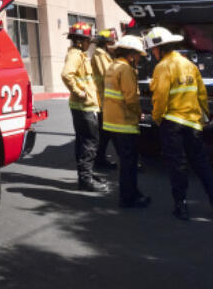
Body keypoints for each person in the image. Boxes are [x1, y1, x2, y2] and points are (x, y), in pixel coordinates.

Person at [145, 26, 213, 221]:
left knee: (177, 165)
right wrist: (204, 116)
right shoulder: (189, 65)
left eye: (153, 49)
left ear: (159, 48)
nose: (153, 53)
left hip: (172, 123)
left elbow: (160, 98)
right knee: (203, 165)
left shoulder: (162, 67)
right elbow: (201, 93)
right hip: (192, 123)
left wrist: (157, 118)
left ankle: (181, 207)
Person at [102, 34, 150, 208]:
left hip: (111, 122)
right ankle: (129, 198)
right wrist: (139, 114)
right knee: (129, 164)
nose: (138, 59)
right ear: (130, 54)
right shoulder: (126, 70)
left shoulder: (112, 66)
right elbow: (131, 99)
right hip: (124, 123)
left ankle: (132, 193)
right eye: (137, 55)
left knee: (125, 161)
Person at [62, 21, 106, 192]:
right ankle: (86, 180)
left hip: (83, 107)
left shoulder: (79, 55)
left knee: (83, 142)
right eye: (88, 40)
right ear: (80, 41)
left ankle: (86, 175)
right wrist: (79, 91)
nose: (89, 44)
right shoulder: (75, 55)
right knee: (89, 142)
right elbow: (66, 74)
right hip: (84, 107)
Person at [90, 28, 118, 169]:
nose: (114, 45)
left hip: (107, 98)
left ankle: (99, 158)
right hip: (103, 98)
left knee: (105, 132)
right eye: (112, 43)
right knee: (104, 132)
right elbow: (107, 74)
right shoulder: (100, 55)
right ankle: (98, 160)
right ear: (106, 44)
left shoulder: (105, 55)